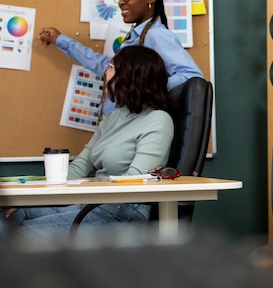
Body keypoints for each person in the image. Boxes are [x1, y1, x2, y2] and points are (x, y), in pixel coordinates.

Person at [0, 46, 174, 239]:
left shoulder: (158, 120)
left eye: (110, 66)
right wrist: (27, 198)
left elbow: (135, 181)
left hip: (122, 213)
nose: (105, 72)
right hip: (90, 204)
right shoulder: (111, 118)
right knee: (9, 216)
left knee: (18, 237)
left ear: (130, 75)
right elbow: (80, 167)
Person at [37, 0, 203, 115]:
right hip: (117, 127)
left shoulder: (156, 35)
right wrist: (61, 40)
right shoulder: (138, 34)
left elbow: (192, 75)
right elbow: (106, 66)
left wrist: (145, 89)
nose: (121, 2)